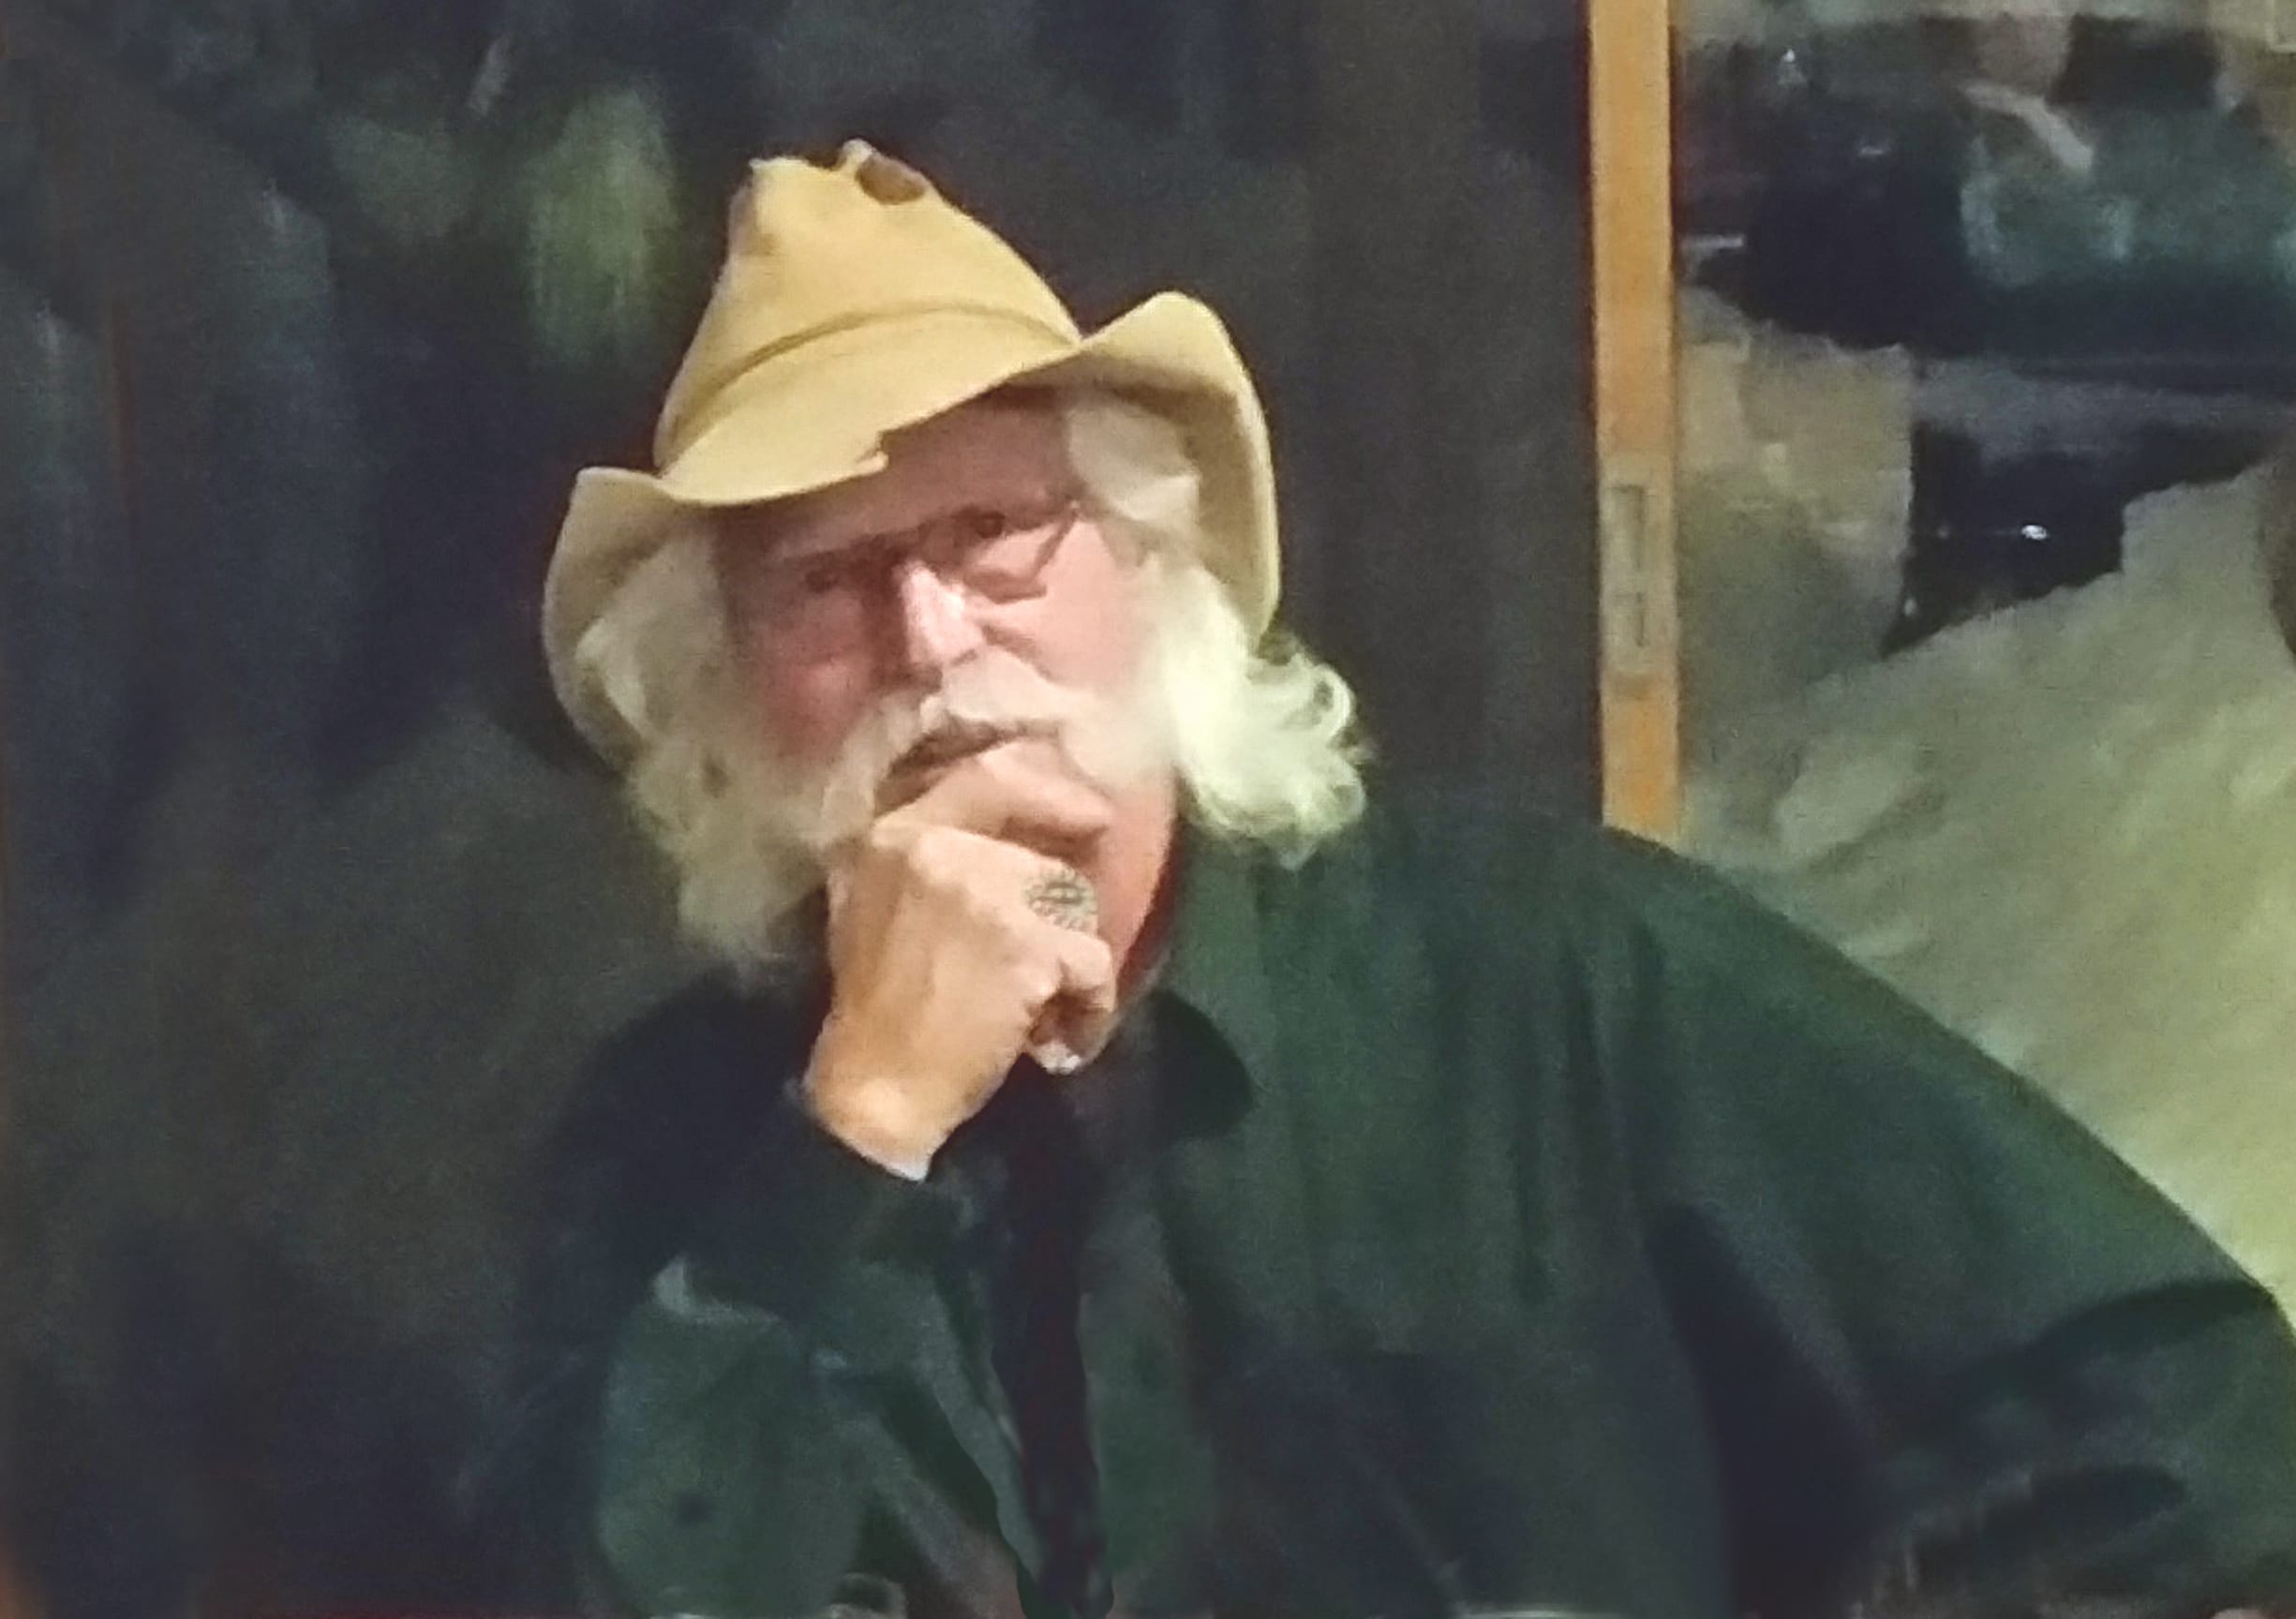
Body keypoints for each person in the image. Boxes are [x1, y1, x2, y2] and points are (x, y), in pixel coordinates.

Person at [487, 141, 2296, 1619]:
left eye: (994, 538)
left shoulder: (1545, 976)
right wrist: (862, 1122)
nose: (932, 640)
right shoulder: (676, 1141)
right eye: (826, 581)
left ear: (1152, 566)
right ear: (730, 687)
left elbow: (2182, 1413)